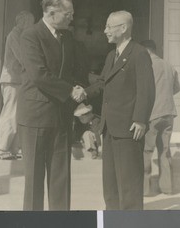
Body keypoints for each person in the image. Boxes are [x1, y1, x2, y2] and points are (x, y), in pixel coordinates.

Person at [74, 11, 155, 210]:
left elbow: (147, 89)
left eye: (109, 26)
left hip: (129, 128)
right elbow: (102, 83)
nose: (105, 31)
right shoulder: (112, 55)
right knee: (110, 186)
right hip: (109, 128)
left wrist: (140, 119)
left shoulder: (139, 53)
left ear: (123, 28)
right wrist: (83, 92)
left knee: (129, 186)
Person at [17, 0, 85, 211]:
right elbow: (38, 74)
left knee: (61, 180)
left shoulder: (67, 37)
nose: (71, 18)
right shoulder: (30, 35)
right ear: (51, 12)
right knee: (35, 181)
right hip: (35, 117)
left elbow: (73, 71)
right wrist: (70, 91)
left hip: (61, 116)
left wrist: (81, 91)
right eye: (68, 14)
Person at [140, 40, 180, 195]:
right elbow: (176, 87)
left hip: (153, 114)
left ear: (146, 50)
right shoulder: (169, 66)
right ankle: (168, 187)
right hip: (169, 113)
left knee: (147, 151)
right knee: (165, 151)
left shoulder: (146, 66)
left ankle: (146, 189)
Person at [0, 11, 35, 160]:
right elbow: (22, 57)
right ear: (23, 22)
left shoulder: (18, 36)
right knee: (10, 113)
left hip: (17, 80)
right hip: (12, 80)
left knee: (16, 114)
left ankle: (12, 148)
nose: (32, 25)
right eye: (30, 22)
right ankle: (1, 148)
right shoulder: (14, 36)